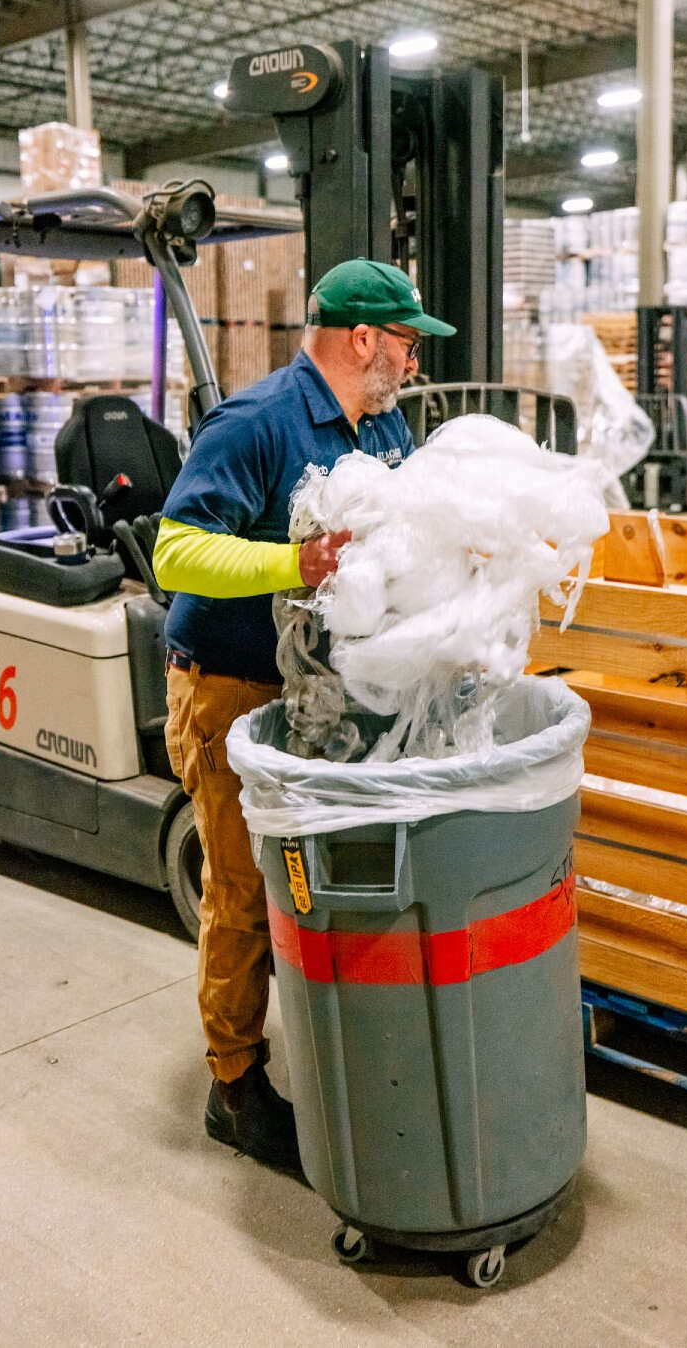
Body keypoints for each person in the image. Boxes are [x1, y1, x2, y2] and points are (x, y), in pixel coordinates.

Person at [152, 258, 456, 1170]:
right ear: (361, 339)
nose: (410, 362)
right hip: (232, 686)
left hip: (322, 685)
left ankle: (337, 1041)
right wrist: (300, 563)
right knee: (244, 890)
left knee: (326, 878)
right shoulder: (255, 424)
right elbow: (176, 552)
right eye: (404, 344)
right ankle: (234, 1085)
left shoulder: (384, 421)